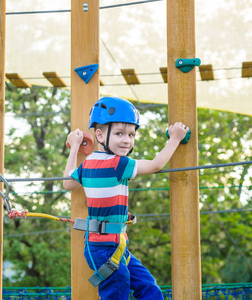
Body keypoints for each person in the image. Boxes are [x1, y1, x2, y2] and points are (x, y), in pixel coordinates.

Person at [63, 96, 189, 300]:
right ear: (100, 136)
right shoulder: (118, 164)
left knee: (148, 287)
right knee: (124, 291)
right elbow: (156, 165)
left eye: (131, 134)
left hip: (115, 245)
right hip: (103, 248)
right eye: (120, 133)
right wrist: (174, 138)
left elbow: (68, 183)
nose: (126, 140)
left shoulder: (88, 164)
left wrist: (75, 146)